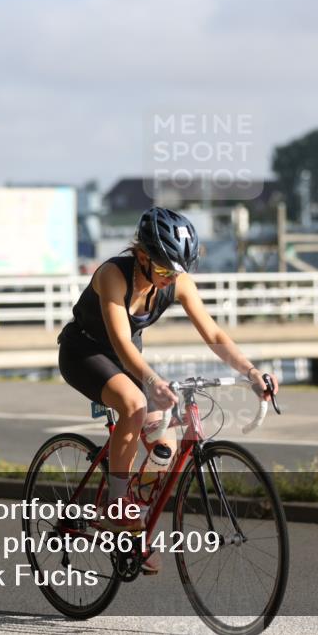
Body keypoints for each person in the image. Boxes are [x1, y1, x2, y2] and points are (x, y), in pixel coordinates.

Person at [57, 207, 278, 574]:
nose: (167, 279)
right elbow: (121, 341)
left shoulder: (175, 281)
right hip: (86, 353)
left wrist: (252, 372)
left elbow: (215, 335)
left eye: (174, 272)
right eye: (161, 270)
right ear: (141, 255)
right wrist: (151, 381)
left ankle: (134, 527)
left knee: (166, 445)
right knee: (134, 403)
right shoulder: (113, 275)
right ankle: (116, 506)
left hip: (130, 361)